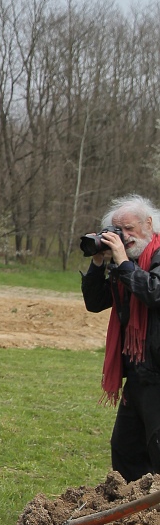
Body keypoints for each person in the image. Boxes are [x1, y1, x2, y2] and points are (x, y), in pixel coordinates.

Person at [81, 196, 160, 480]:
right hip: (137, 372)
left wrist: (124, 264)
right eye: (116, 230)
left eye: (128, 229)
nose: (122, 236)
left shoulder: (155, 254)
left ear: (148, 224)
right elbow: (95, 302)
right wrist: (98, 263)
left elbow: (154, 293)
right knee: (125, 450)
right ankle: (133, 517)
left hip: (158, 373)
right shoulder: (124, 262)